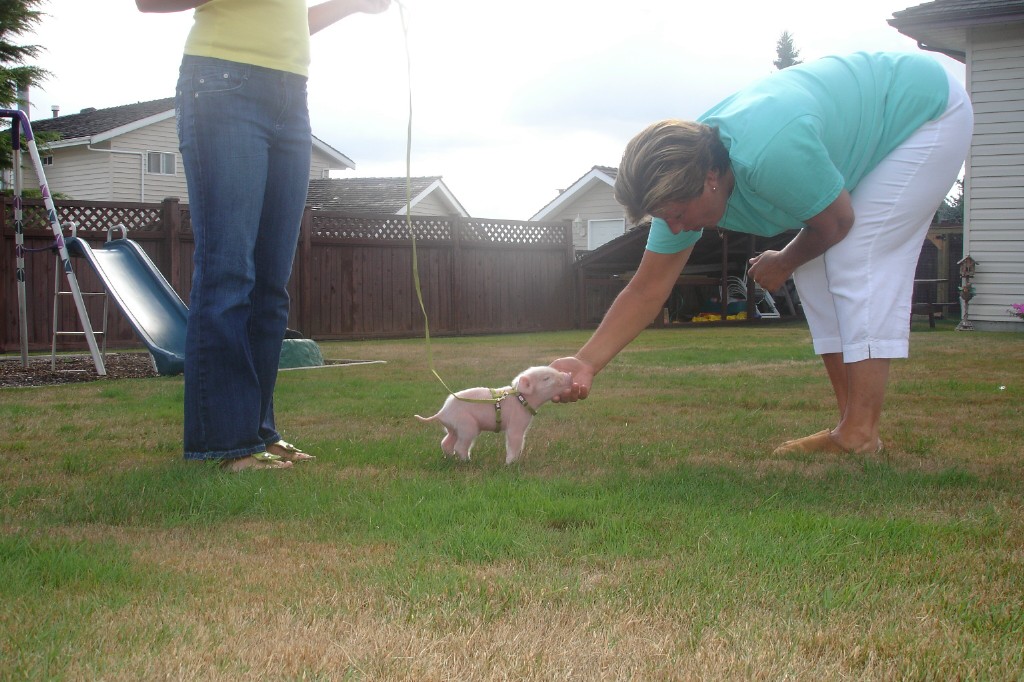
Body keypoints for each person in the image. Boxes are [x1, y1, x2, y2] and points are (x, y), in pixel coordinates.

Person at [551, 51, 973, 456]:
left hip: (925, 111)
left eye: (677, 214)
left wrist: (784, 260)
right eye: (665, 218)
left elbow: (837, 223)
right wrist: (586, 363)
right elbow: (647, 289)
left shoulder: (769, 154)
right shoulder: (681, 188)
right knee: (817, 265)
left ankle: (860, 433)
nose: (675, 227)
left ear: (711, 179)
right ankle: (852, 427)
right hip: (874, 132)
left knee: (850, 257)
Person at [137, 0, 391, 471]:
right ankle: (225, 444)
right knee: (228, 273)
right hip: (221, 86)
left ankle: (257, 433)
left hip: (290, 94)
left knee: (270, 286)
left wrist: (351, 5)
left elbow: (290, 21)